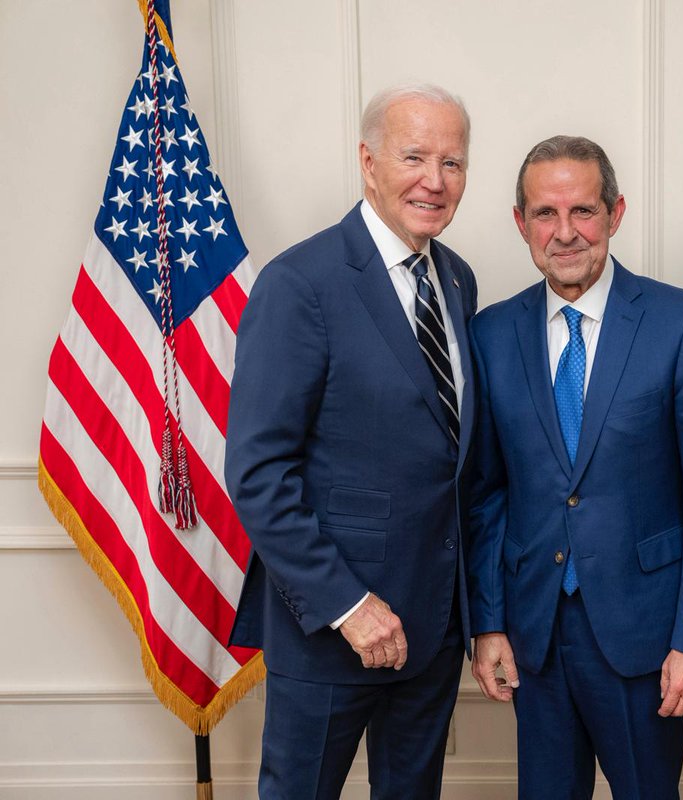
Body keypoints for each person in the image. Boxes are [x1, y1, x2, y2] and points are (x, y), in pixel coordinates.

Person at [225, 83, 476, 799]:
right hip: (332, 631)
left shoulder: (457, 279)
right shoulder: (300, 284)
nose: (435, 180)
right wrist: (348, 606)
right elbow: (258, 472)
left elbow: (447, 460)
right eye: (415, 157)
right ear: (369, 163)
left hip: (431, 631)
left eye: (453, 162)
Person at [467, 135, 683, 799]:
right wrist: (489, 622)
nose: (565, 233)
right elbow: (486, 494)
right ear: (520, 222)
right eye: (544, 214)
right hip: (535, 634)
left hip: (645, 635)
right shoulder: (491, 334)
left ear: (615, 214)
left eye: (583, 211)